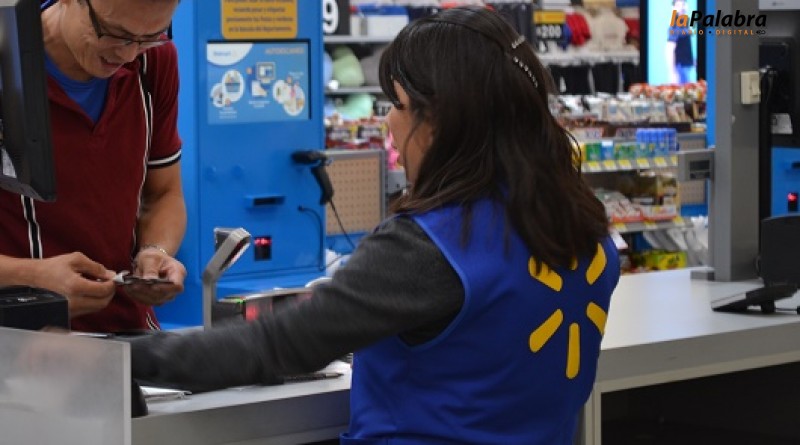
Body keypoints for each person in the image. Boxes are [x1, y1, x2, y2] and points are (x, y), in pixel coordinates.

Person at [131, 6, 620, 444]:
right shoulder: (588, 230)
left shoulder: (431, 245)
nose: (389, 122)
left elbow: (279, 344)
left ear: (442, 121)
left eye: (398, 104)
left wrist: (123, 358)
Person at [0, 0, 187, 333]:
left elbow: (164, 194)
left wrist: (155, 252)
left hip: (126, 335)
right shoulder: (6, 58)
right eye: (114, 33)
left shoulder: (153, 63)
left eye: (150, 37)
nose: (128, 54)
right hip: (19, 341)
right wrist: (31, 277)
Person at [666, 0, 695, 84]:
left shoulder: (684, 23)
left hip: (686, 67)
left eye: (683, 4)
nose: (682, 7)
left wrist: (692, 60)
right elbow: (669, 49)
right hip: (680, 68)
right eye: (678, 5)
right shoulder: (675, 25)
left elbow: (684, 45)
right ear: (673, 8)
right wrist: (672, 73)